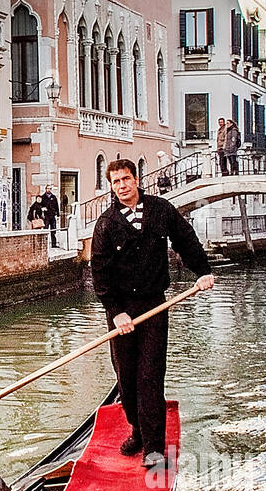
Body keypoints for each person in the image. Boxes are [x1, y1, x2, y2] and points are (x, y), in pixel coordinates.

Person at [90, 158, 215, 469]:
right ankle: (137, 429)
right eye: (116, 181)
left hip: (154, 306)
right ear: (111, 185)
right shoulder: (106, 224)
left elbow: (185, 240)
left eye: (126, 179)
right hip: (121, 313)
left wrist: (202, 271)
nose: (122, 186)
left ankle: (154, 447)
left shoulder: (161, 210)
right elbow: (100, 273)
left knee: (150, 376)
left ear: (137, 180)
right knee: (127, 379)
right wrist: (116, 311)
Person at [41, 184, 60, 248]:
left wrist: (58, 215)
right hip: (46, 216)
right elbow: (40, 205)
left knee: (53, 230)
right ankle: (44, 244)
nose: (49, 189)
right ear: (46, 189)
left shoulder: (53, 197)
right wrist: (42, 209)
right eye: (48, 188)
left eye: (50, 188)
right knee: (45, 230)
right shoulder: (43, 197)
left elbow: (56, 206)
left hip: (52, 215)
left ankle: (54, 244)